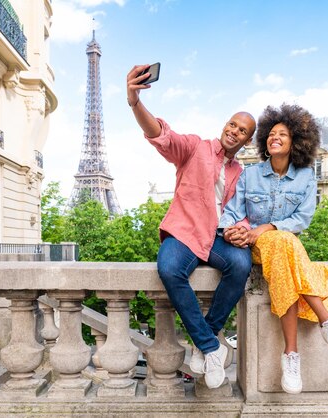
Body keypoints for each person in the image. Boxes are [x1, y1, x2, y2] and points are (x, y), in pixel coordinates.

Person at [126, 65, 256, 389]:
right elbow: (160, 134)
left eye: (242, 131)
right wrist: (134, 102)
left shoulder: (241, 174)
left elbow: (242, 213)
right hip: (185, 232)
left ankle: (203, 338)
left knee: (241, 264)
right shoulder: (195, 147)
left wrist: (243, 230)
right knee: (169, 268)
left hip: (217, 237)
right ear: (225, 125)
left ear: (247, 140)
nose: (234, 131)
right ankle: (212, 347)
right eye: (232, 124)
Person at [219, 103, 328, 395]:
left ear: (295, 141)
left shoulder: (306, 176)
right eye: (271, 134)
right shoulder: (250, 175)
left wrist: (267, 227)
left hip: (282, 245)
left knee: (284, 246)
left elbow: (301, 219)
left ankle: (291, 356)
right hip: (256, 246)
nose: (275, 137)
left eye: (282, 134)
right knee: (284, 244)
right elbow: (232, 212)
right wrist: (230, 230)